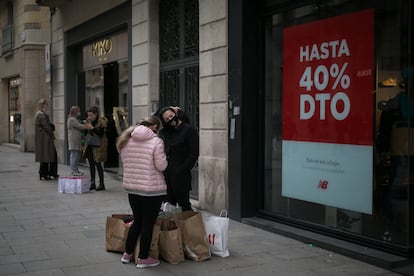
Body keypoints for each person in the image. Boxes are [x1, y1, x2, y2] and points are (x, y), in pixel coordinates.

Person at [116, 116, 167, 268]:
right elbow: (161, 166)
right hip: (152, 190)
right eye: (157, 128)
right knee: (147, 224)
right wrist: (166, 159)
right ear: (154, 126)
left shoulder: (126, 139)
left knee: (137, 221)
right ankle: (143, 258)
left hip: (133, 189)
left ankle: (127, 254)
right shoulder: (156, 141)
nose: (158, 131)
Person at [157, 106, 199, 211]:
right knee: (168, 207)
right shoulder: (167, 131)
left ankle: (189, 227)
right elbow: (154, 119)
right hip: (167, 174)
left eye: (171, 116)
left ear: (176, 114)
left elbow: (193, 153)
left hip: (181, 175)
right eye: (167, 119)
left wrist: (182, 169)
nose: (170, 119)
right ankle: (173, 227)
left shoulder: (189, 130)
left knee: (184, 206)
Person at [83, 106, 108, 191]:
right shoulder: (88, 121)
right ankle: (92, 182)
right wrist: (86, 128)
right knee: (91, 165)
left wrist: (92, 128)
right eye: (88, 115)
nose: (89, 117)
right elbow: (86, 133)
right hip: (89, 145)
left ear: (96, 114)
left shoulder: (101, 122)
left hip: (98, 146)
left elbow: (101, 134)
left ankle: (101, 184)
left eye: (91, 115)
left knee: (98, 164)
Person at [34, 98, 59, 180]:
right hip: (45, 138)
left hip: (44, 138)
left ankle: (45, 173)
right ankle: (47, 173)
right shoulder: (41, 114)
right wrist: (52, 134)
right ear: (42, 105)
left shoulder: (41, 114)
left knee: (46, 156)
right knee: (49, 156)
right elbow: (46, 126)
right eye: (46, 104)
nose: (47, 106)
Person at [67, 106, 92, 176]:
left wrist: (85, 123)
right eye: (78, 111)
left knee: (77, 156)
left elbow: (80, 124)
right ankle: (73, 170)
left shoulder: (75, 119)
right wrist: (88, 126)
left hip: (77, 140)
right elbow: (80, 126)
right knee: (74, 156)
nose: (79, 112)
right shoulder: (72, 119)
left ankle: (76, 170)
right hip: (74, 141)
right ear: (75, 112)